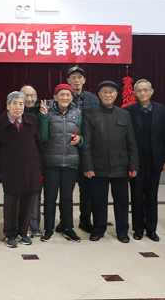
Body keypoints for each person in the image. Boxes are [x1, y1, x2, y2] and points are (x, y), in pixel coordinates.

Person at [81, 81, 139, 243]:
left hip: (121, 165)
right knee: (98, 201)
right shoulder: (90, 114)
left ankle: (122, 231)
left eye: (111, 92)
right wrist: (88, 166)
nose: (108, 95)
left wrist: (133, 165)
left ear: (116, 95)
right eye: (104, 92)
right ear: (99, 95)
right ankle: (98, 229)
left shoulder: (124, 114)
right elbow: (86, 144)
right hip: (97, 166)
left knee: (122, 201)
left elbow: (131, 142)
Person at [0, 92, 43, 248]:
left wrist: (40, 166)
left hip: (31, 168)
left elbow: (38, 144)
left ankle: (23, 232)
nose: (18, 107)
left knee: (28, 201)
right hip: (10, 169)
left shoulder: (32, 119)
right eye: (14, 103)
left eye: (21, 103)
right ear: (7, 106)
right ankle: (10, 233)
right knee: (12, 202)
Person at [124, 79, 165, 242]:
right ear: (134, 93)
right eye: (139, 90)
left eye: (146, 90)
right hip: (136, 161)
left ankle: (151, 229)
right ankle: (138, 229)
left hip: (154, 160)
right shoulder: (128, 111)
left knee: (152, 196)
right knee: (136, 195)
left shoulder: (163, 110)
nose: (142, 93)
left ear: (152, 91)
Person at [37, 84, 83, 243]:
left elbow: (82, 136)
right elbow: (43, 138)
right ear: (55, 97)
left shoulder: (77, 113)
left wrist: (80, 139)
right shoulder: (47, 112)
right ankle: (48, 229)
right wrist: (43, 117)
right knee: (49, 198)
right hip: (51, 162)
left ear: (71, 97)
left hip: (70, 162)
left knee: (67, 198)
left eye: (68, 95)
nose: (65, 98)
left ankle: (68, 228)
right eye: (61, 95)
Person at [66, 65, 99, 234]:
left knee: (87, 189)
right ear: (68, 81)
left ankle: (85, 220)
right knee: (66, 189)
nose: (77, 80)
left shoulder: (93, 99)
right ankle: (65, 221)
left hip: (88, 150)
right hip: (67, 148)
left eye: (80, 77)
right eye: (73, 77)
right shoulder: (64, 96)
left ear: (84, 80)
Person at [21, 84, 42, 238]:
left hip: (37, 158)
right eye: (25, 96)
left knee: (35, 192)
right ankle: (20, 224)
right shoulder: (14, 111)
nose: (29, 99)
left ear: (36, 97)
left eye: (31, 95)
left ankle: (34, 224)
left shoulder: (42, 112)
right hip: (19, 158)